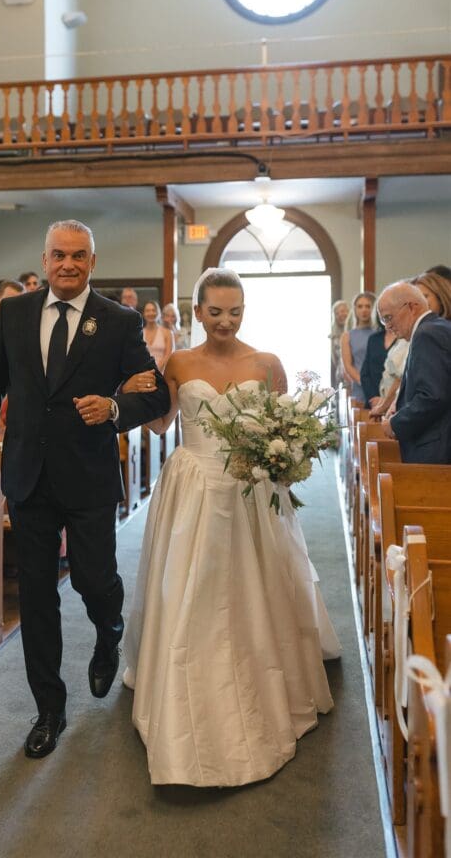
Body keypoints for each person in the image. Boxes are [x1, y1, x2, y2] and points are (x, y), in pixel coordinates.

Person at [0, 220, 170, 759]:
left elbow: (155, 394)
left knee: (95, 581)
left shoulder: (119, 321)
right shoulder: (16, 312)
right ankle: (48, 708)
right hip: (27, 475)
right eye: (58, 255)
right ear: (45, 259)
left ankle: (109, 627)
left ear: (92, 263)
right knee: (36, 595)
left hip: (89, 475)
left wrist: (115, 409)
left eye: (79, 256)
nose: (68, 264)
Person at [122, 268, 338, 788]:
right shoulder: (179, 361)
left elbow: (285, 428)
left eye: (235, 311)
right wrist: (129, 389)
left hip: (250, 488)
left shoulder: (266, 363)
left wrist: (286, 455)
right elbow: (160, 425)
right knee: (192, 587)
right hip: (193, 484)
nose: (225, 321)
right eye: (215, 312)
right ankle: (185, 679)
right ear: (197, 312)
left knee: (249, 584)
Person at [379, 281, 451, 463]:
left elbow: (433, 396)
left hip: (436, 449)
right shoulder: (437, 327)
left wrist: (395, 424)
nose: (387, 327)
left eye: (388, 318)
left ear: (411, 307)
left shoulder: (427, 333)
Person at [340, 292, 377, 403]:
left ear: (374, 308)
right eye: (360, 306)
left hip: (381, 385)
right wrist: (365, 383)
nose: (364, 310)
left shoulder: (381, 334)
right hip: (360, 387)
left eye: (368, 306)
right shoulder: (347, 336)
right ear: (355, 309)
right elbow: (348, 366)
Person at [141, 300, 174, 372]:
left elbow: (168, 356)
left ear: (158, 313)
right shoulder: (140, 333)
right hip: (144, 373)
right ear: (143, 313)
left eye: (153, 310)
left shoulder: (167, 333)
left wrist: (156, 370)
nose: (151, 313)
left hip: (162, 372)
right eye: (148, 310)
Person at [329, 299, 348, 387]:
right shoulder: (334, 336)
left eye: (343, 311)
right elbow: (335, 359)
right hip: (340, 375)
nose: (340, 314)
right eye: (337, 313)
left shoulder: (355, 332)